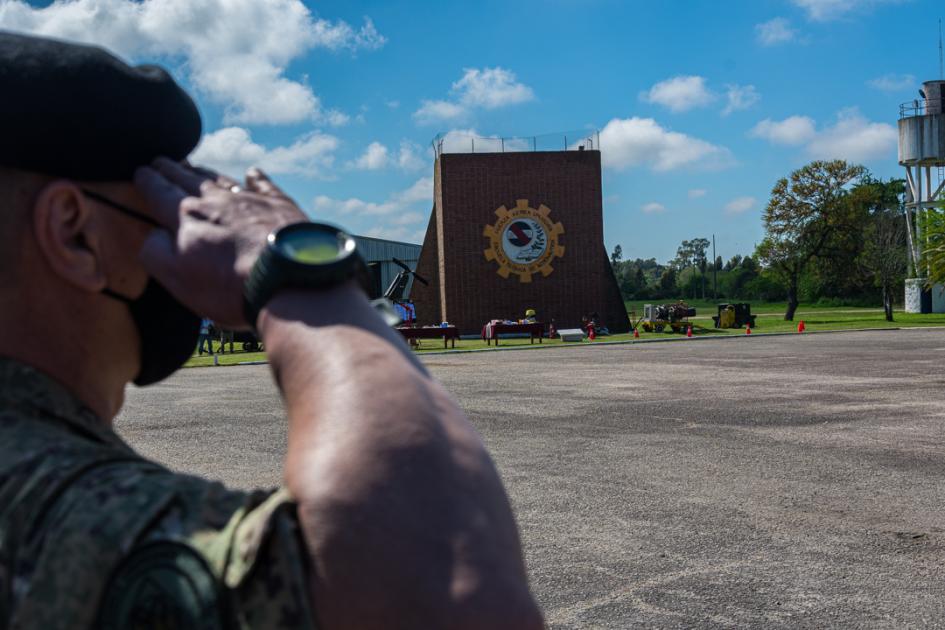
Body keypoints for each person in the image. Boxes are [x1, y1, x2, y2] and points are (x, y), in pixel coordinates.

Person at [0, 32, 542, 629]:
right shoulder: (44, 498)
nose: (194, 237)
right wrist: (300, 278)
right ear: (76, 233)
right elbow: (447, 587)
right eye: (171, 210)